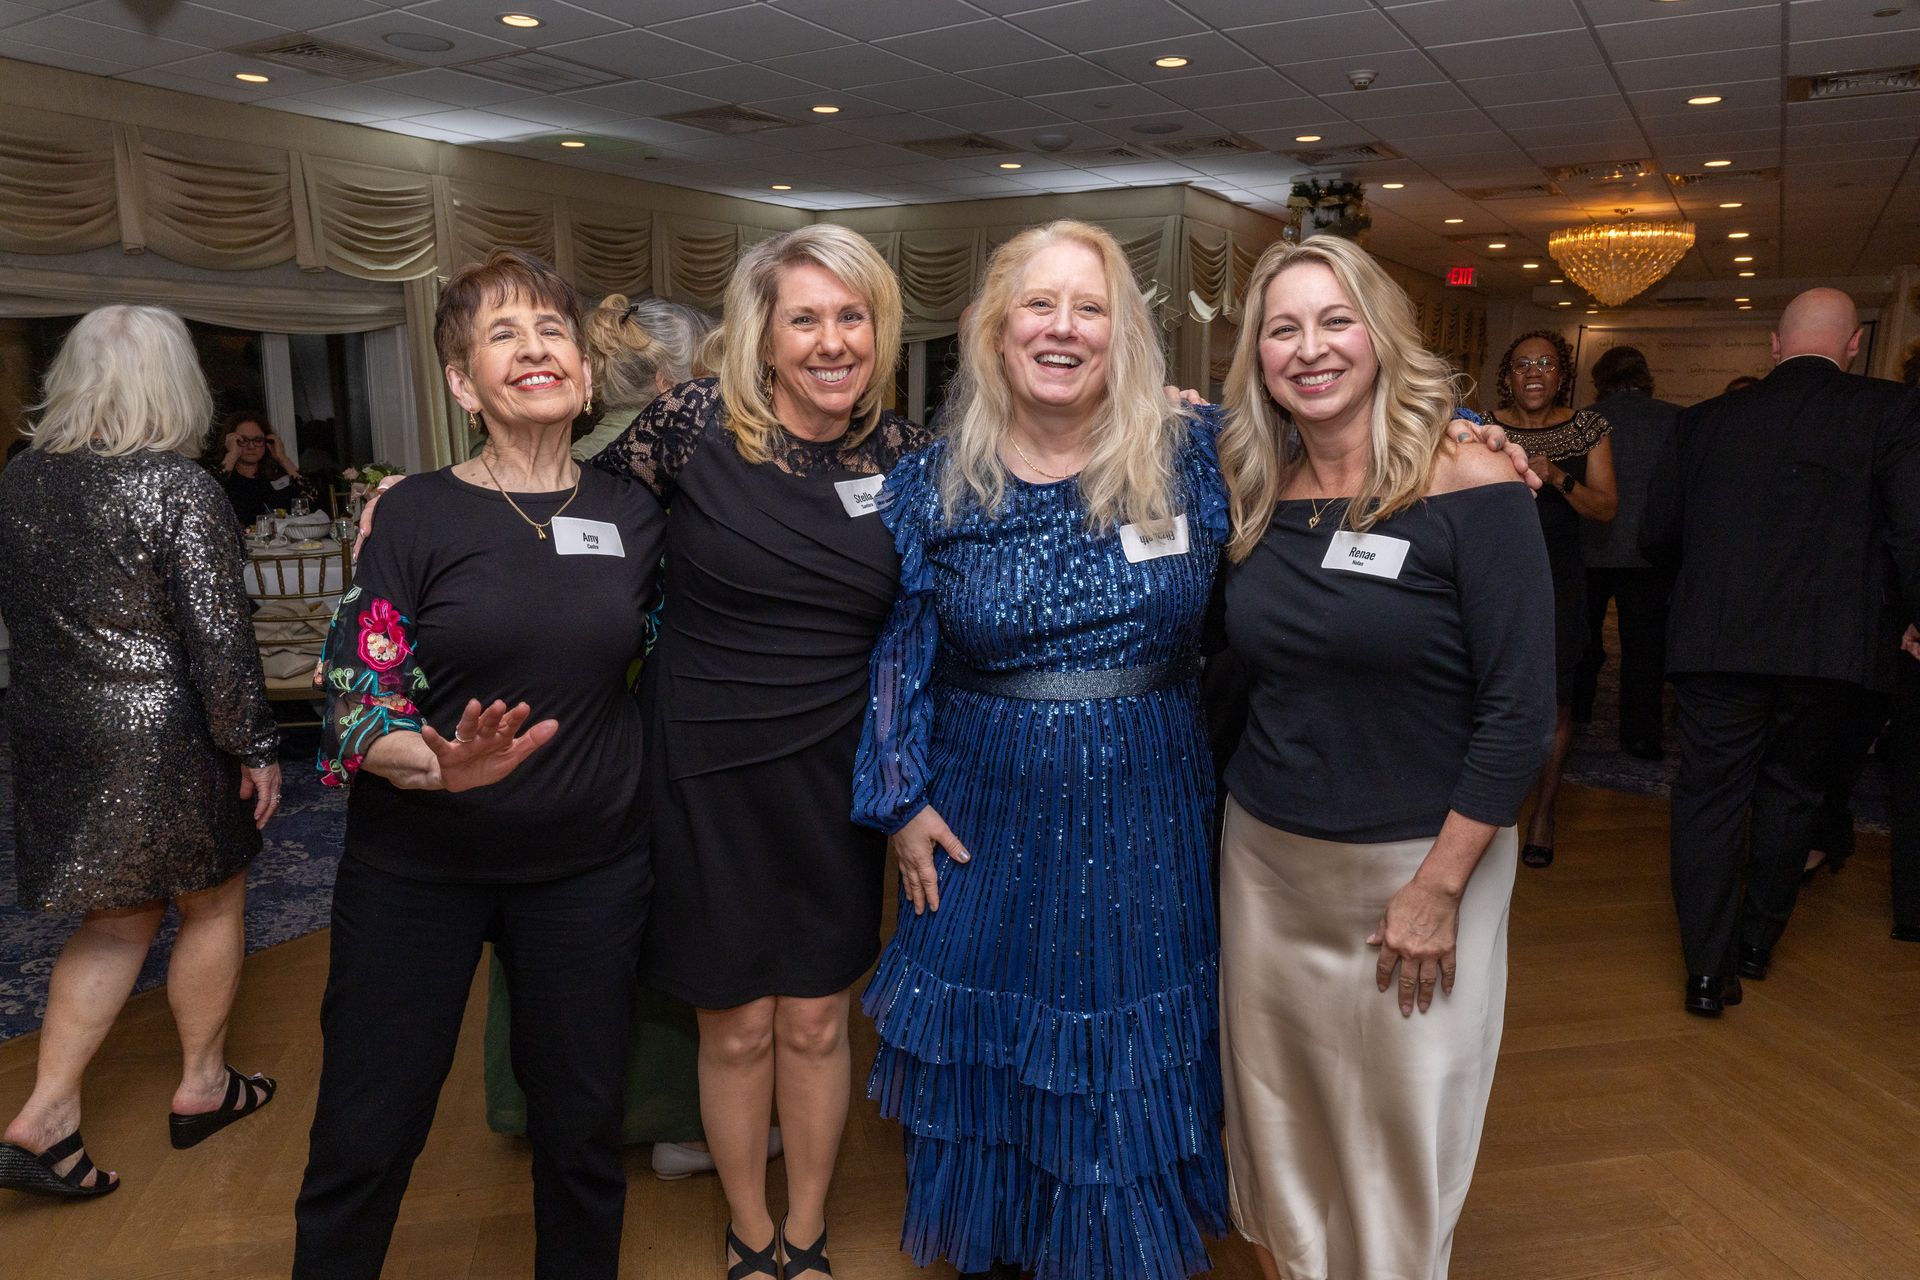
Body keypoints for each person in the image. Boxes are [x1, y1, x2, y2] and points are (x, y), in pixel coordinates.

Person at [854, 220, 1231, 1280]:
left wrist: (1477, 433)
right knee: (997, 1040)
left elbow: (1347, 416)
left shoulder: (1195, 454)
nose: (1062, 327)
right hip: (978, 807)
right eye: (1039, 303)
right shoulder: (931, 480)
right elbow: (897, 646)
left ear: (1124, 336)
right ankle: (1013, 1244)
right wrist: (900, 797)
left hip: (1148, 797)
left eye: (1090, 306)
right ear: (993, 326)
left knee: (1122, 1035)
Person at [291, 249, 666, 1279]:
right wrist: (434, 763)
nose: (535, 348)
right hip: (418, 867)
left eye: (553, 330)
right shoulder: (413, 513)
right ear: (463, 384)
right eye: (503, 334)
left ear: (587, 374)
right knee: (367, 1129)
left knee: (583, 1131)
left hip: (589, 870)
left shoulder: (637, 512)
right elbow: (355, 692)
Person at [1214, 234, 1555, 1280]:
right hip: (1267, 861)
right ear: (1256, 354)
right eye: (1283, 328)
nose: (1309, 348)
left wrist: (1440, 885)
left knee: (1404, 1122)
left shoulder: (1472, 477)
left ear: (1379, 334)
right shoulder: (1251, 480)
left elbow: (1521, 708)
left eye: (1333, 320)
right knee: (1276, 1116)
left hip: (1420, 863)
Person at [592, 224, 928, 1279]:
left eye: (852, 315)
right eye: (806, 317)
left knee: (820, 1019)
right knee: (733, 1024)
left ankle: (811, 1226)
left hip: (835, 772)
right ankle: (748, 1229)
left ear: (880, 328)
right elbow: (572, 515)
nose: (832, 340)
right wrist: (422, 505)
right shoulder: (690, 426)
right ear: (765, 334)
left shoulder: (910, 459)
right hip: (702, 767)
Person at [0, 305, 282, 1200]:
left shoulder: (19, 480)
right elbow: (219, 640)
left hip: (53, 727)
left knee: (115, 917)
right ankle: (203, 1086)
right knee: (210, 898)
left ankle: (46, 1116)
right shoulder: (179, 487)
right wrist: (256, 745)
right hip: (165, 730)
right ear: (176, 383)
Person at [1642, 287, 1920, 1016]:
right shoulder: (1890, 411)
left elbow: (1656, 537)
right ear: (1854, 344)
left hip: (1716, 640)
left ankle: (1705, 971)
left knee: (1707, 797)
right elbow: (1911, 531)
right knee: (1793, 793)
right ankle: (1756, 946)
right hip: (1832, 647)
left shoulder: (1702, 423)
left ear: (1773, 344)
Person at [1484, 330, 1617, 867]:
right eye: (1521, 364)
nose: (1533, 372)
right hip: (1491, 578)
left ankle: (1543, 812)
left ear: (1562, 373)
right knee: (1487, 693)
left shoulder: (1589, 428)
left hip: (1559, 580)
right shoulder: (1479, 426)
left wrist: (1557, 474)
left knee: (1556, 700)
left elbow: (1606, 509)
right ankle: (1487, 807)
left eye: (1545, 363)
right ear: (1508, 375)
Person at [1572, 345, 1680, 759]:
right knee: (1645, 651)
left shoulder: (1582, 422)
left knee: (1582, 640)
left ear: (1600, 381)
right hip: (1649, 553)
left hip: (1590, 546)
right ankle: (1641, 736)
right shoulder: (1675, 420)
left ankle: (1577, 712)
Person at [573, 293, 717, 462]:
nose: (713, 382)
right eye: (702, 372)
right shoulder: (684, 459)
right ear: (666, 383)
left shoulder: (571, 462)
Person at [214, 410, 320, 528]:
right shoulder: (223, 477)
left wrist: (283, 459)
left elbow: (312, 502)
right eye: (243, 440)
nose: (251, 446)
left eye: (258, 440)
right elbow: (204, 497)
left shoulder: (276, 475)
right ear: (231, 442)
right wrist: (231, 455)